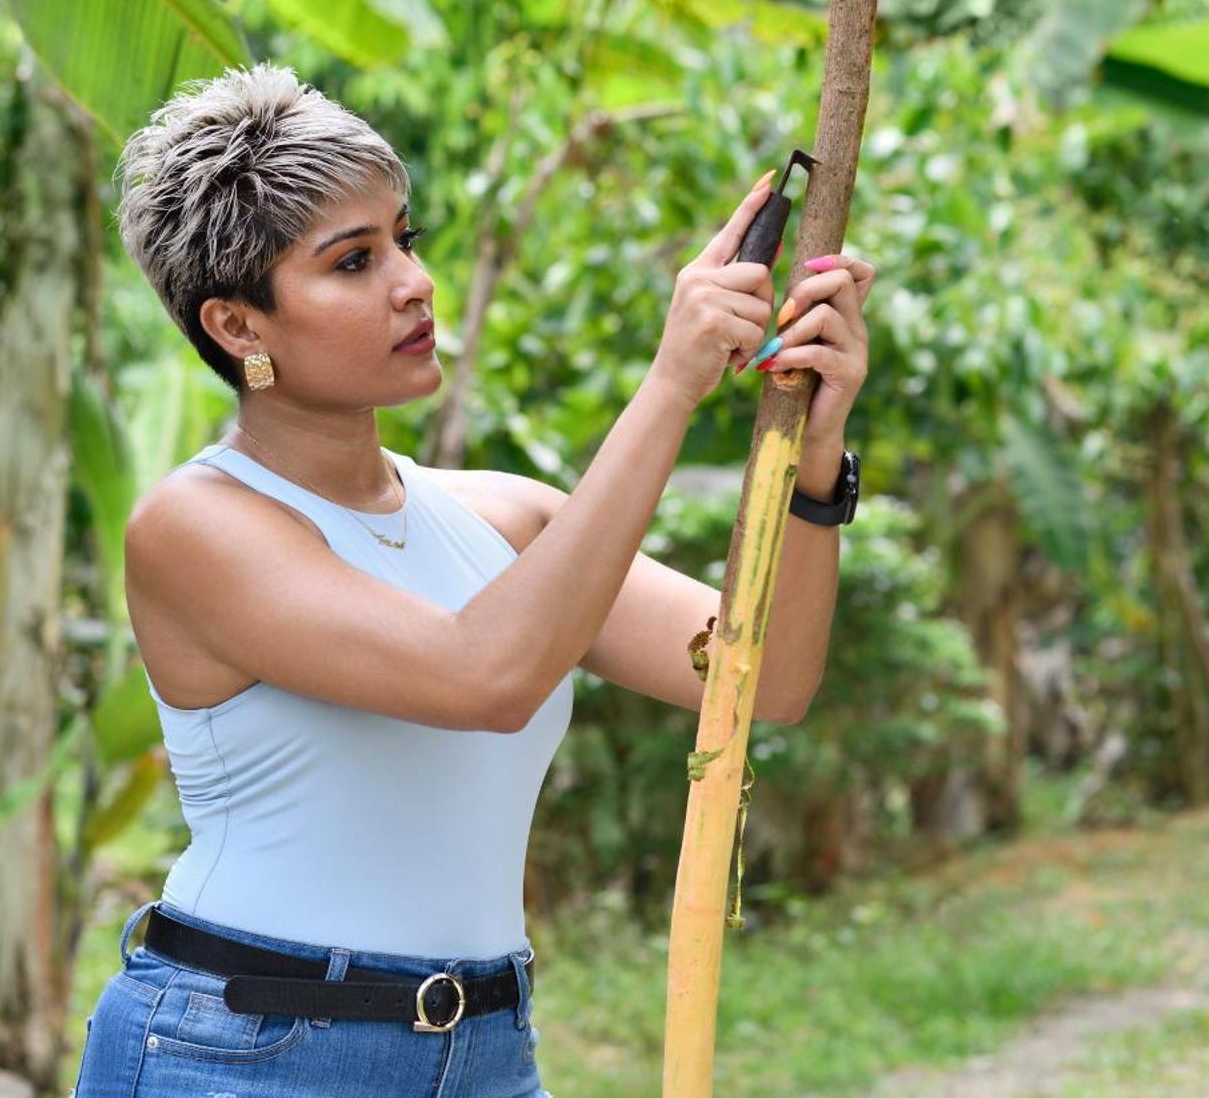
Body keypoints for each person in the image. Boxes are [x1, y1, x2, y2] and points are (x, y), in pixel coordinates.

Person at [70, 63, 874, 1096]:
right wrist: (671, 384)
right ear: (237, 326)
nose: (412, 282)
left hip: (485, 1049)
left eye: (403, 239)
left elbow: (766, 679)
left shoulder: (504, 517)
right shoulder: (196, 528)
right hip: (245, 1052)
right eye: (352, 262)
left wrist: (812, 461)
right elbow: (485, 676)